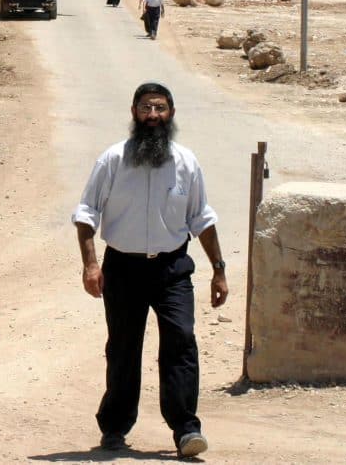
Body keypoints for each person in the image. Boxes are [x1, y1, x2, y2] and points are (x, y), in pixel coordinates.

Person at [72, 82, 227, 459]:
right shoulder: (112, 160)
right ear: (134, 112)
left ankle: (186, 429)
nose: (153, 116)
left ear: (171, 114)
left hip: (172, 267)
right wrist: (91, 264)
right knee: (123, 348)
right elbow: (86, 213)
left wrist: (218, 269)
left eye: (160, 108)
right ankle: (114, 427)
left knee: (181, 342)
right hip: (122, 268)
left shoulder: (186, 162)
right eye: (146, 108)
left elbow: (202, 219)